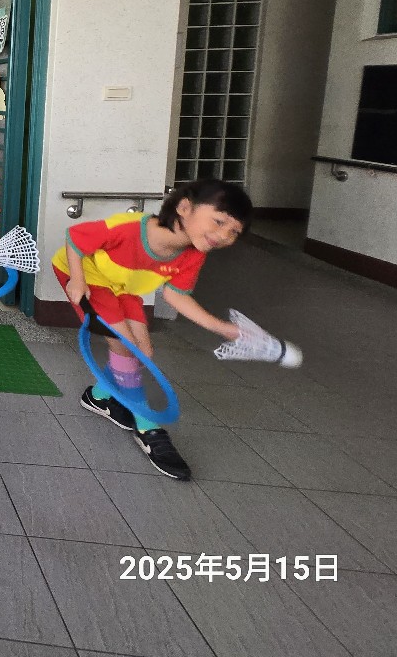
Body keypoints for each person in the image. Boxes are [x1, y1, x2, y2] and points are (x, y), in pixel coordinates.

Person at [52, 178, 252, 480]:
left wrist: (221, 327)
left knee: (144, 351)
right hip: (90, 276)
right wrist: (77, 280)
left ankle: (98, 396)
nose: (224, 235)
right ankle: (148, 427)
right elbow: (76, 237)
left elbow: (176, 295)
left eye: (234, 231)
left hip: (123, 286)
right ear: (184, 208)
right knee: (126, 346)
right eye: (219, 221)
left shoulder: (194, 254)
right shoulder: (130, 229)